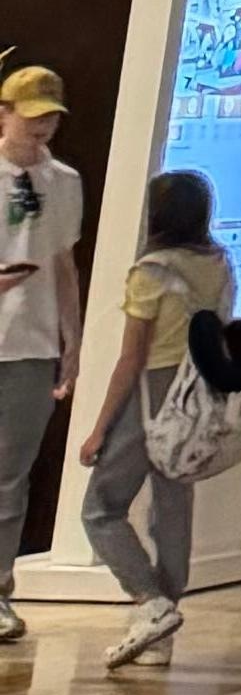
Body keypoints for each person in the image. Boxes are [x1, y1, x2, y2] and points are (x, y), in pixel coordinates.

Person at [78, 166, 231, 664]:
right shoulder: (219, 263)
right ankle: (162, 631)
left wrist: (99, 428)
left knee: (101, 508)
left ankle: (150, 602)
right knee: (172, 510)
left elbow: (132, 358)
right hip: (200, 391)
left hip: (154, 390)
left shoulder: (151, 271)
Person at [0, 68, 84, 658]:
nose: (43, 126)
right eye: (32, 115)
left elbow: (62, 264)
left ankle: (0, 590)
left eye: (51, 116)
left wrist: (72, 340)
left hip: (33, 344)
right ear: (4, 114)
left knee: (10, 475)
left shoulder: (65, 181)